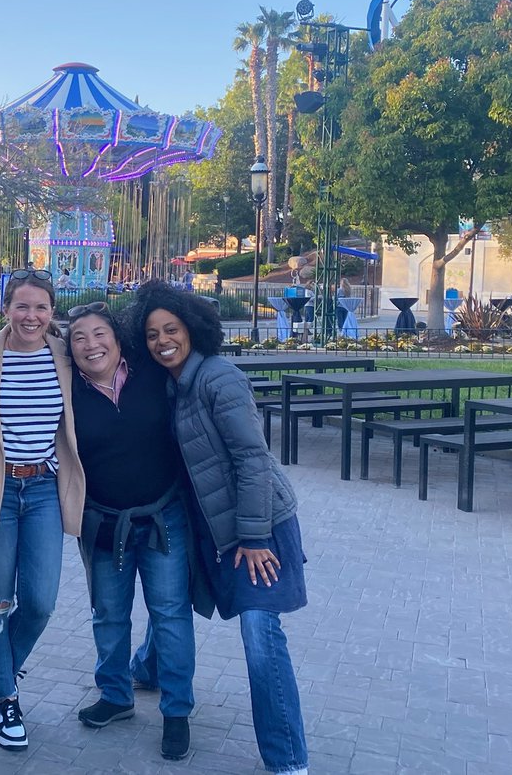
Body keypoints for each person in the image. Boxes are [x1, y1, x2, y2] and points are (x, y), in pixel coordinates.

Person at [129, 281, 309, 775]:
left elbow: (252, 459)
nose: (163, 340)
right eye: (151, 334)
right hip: (204, 525)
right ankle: (147, 668)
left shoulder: (218, 378)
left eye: (172, 329)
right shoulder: (167, 384)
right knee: (176, 596)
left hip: (259, 527)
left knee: (259, 632)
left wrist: (252, 539)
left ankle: (288, 761)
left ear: (193, 329)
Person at [65, 302, 209, 761]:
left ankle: (177, 711)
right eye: (80, 337)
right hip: (104, 521)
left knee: (169, 612)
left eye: (100, 333)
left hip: (164, 516)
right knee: (108, 612)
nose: (92, 344)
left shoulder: (151, 373)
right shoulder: (67, 390)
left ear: (117, 338)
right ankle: (115, 694)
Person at [0, 268, 86, 751]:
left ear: (52, 312)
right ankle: (5, 700)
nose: (31, 316)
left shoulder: (65, 355)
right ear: (6, 308)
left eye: (40, 307)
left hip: (43, 491)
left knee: (39, 601)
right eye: (22, 306)